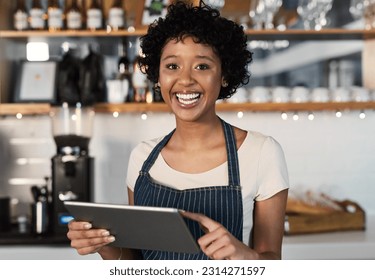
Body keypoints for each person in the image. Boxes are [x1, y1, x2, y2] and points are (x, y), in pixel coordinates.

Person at [67, 1, 289, 260]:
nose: (185, 80)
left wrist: (247, 257)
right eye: (172, 66)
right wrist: (103, 244)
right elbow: (135, 262)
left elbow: (271, 259)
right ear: (158, 77)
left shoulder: (261, 152)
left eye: (202, 66)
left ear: (225, 75)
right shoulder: (142, 158)